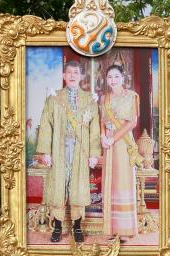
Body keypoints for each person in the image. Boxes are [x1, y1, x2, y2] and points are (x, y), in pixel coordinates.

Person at [35, 59, 100, 244]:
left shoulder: (90, 100)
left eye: (76, 73)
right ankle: (57, 227)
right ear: (64, 76)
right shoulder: (54, 98)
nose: (72, 76)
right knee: (58, 187)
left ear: (81, 76)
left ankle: (77, 227)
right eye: (69, 72)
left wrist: (94, 154)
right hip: (59, 150)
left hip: (81, 150)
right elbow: (46, 125)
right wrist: (46, 152)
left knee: (78, 186)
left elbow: (95, 129)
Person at [99, 64, 140, 242]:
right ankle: (112, 229)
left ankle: (125, 230)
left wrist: (113, 138)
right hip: (108, 144)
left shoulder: (132, 96)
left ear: (123, 78)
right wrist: (103, 138)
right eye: (110, 77)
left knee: (123, 181)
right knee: (110, 183)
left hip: (123, 143)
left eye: (116, 76)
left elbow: (132, 123)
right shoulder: (103, 98)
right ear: (106, 80)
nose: (113, 80)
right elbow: (101, 121)